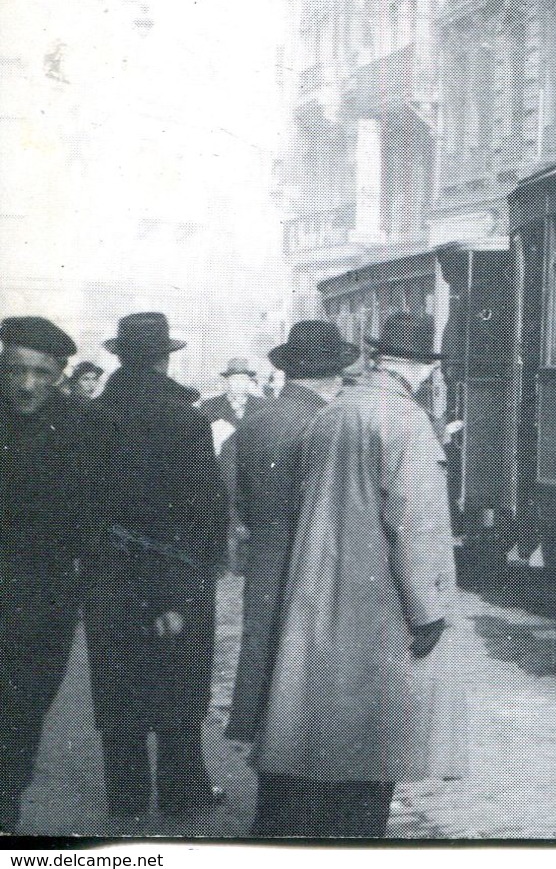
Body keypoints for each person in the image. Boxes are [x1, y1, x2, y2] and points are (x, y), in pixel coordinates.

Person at [253, 312, 465, 839]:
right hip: (380, 604)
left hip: (322, 590)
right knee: (374, 748)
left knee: (319, 731)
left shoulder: (334, 413)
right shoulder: (406, 421)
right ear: (424, 370)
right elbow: (416, 526)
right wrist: (429, 610)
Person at [85, 312, 228, 818]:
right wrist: (173, 594)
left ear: (120, 356)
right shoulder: (184, 419)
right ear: (166, 357)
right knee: (181, 688)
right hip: (176, 577)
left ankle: (125, 799)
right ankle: (182, 793)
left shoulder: (92, 417)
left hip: (108, 580)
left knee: (118, 689)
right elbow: (204, 513)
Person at [0, 317, 117, 833]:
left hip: (40, 601)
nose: (27, 385)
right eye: (17, 370)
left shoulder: (81, 426)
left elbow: (90, 514)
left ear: (60, 375)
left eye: (41, 374)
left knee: (22, 714)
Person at [224, 321, 357, 751]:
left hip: (266, 560)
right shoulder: (329, 425)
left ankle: (263, 757)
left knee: (263, 655)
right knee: (309, 676)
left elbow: (233, 497)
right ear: (334, 375)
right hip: (315, 563)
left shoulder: (256, 423)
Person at [199, 357, 266, 430]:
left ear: (249, 381)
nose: (239, 384)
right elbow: (201, 438)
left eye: (243, 379)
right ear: (226, 381)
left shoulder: (263, 406)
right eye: (234, 379)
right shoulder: (209, 406)